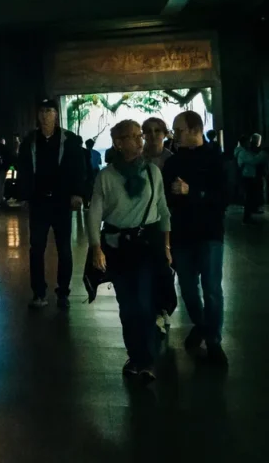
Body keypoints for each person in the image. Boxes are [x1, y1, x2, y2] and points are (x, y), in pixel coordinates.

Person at [86, 120, 171, 383]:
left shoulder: (152, 172)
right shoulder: (106, 176)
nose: (139, 140)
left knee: (144, 303)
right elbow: (94, 213)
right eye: (132, 136)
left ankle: (146, 360)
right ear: (118, 143)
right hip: (118, 247)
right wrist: (95, 247)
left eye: (139, 135)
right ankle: (134, 356)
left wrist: (167, 245)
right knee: (127, 305)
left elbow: (163, 210)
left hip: (146, 246)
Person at [164, 111, 228, 365]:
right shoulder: (173, 162)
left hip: (210, 233)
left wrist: (191, 192)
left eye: (178, 130)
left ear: (195, 130)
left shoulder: (216, 158)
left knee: (212, 289)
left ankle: (214, 341)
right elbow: (166, 198)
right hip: (182, 233)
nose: (175, 135)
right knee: (188, 290)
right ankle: (202, 325)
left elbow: (224, 197)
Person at [16, 99, 86, 309]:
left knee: (64, 248)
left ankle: (63, 291)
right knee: (36, 248)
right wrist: (24, 194)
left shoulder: (69, 140)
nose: (45, 115)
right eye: (42, 111)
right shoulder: (30, 141)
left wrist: (77, 193)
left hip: (61, 201)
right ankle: (39, 292)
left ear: (56, 114)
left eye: (49, 111)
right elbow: (23, 168)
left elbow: (79, 168)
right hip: (38, 202)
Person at [235, 134, 267, 224]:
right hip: (247, 177)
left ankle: (248, 216)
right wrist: (263, 154)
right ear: (244, 143)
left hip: (248, 176)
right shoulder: (243, 152)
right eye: (248, 142)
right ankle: (246, 218)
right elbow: (254, 161)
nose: (250, 143)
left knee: (250, 197)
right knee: (249, 198)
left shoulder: (244, 151)